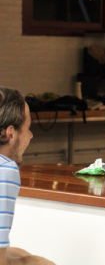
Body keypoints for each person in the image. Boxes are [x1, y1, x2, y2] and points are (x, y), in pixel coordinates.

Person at [0, 87, 55, 265]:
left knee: (19, 254)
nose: (30, 136)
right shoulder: (4, 170)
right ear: (10, 133)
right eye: (28, 128)